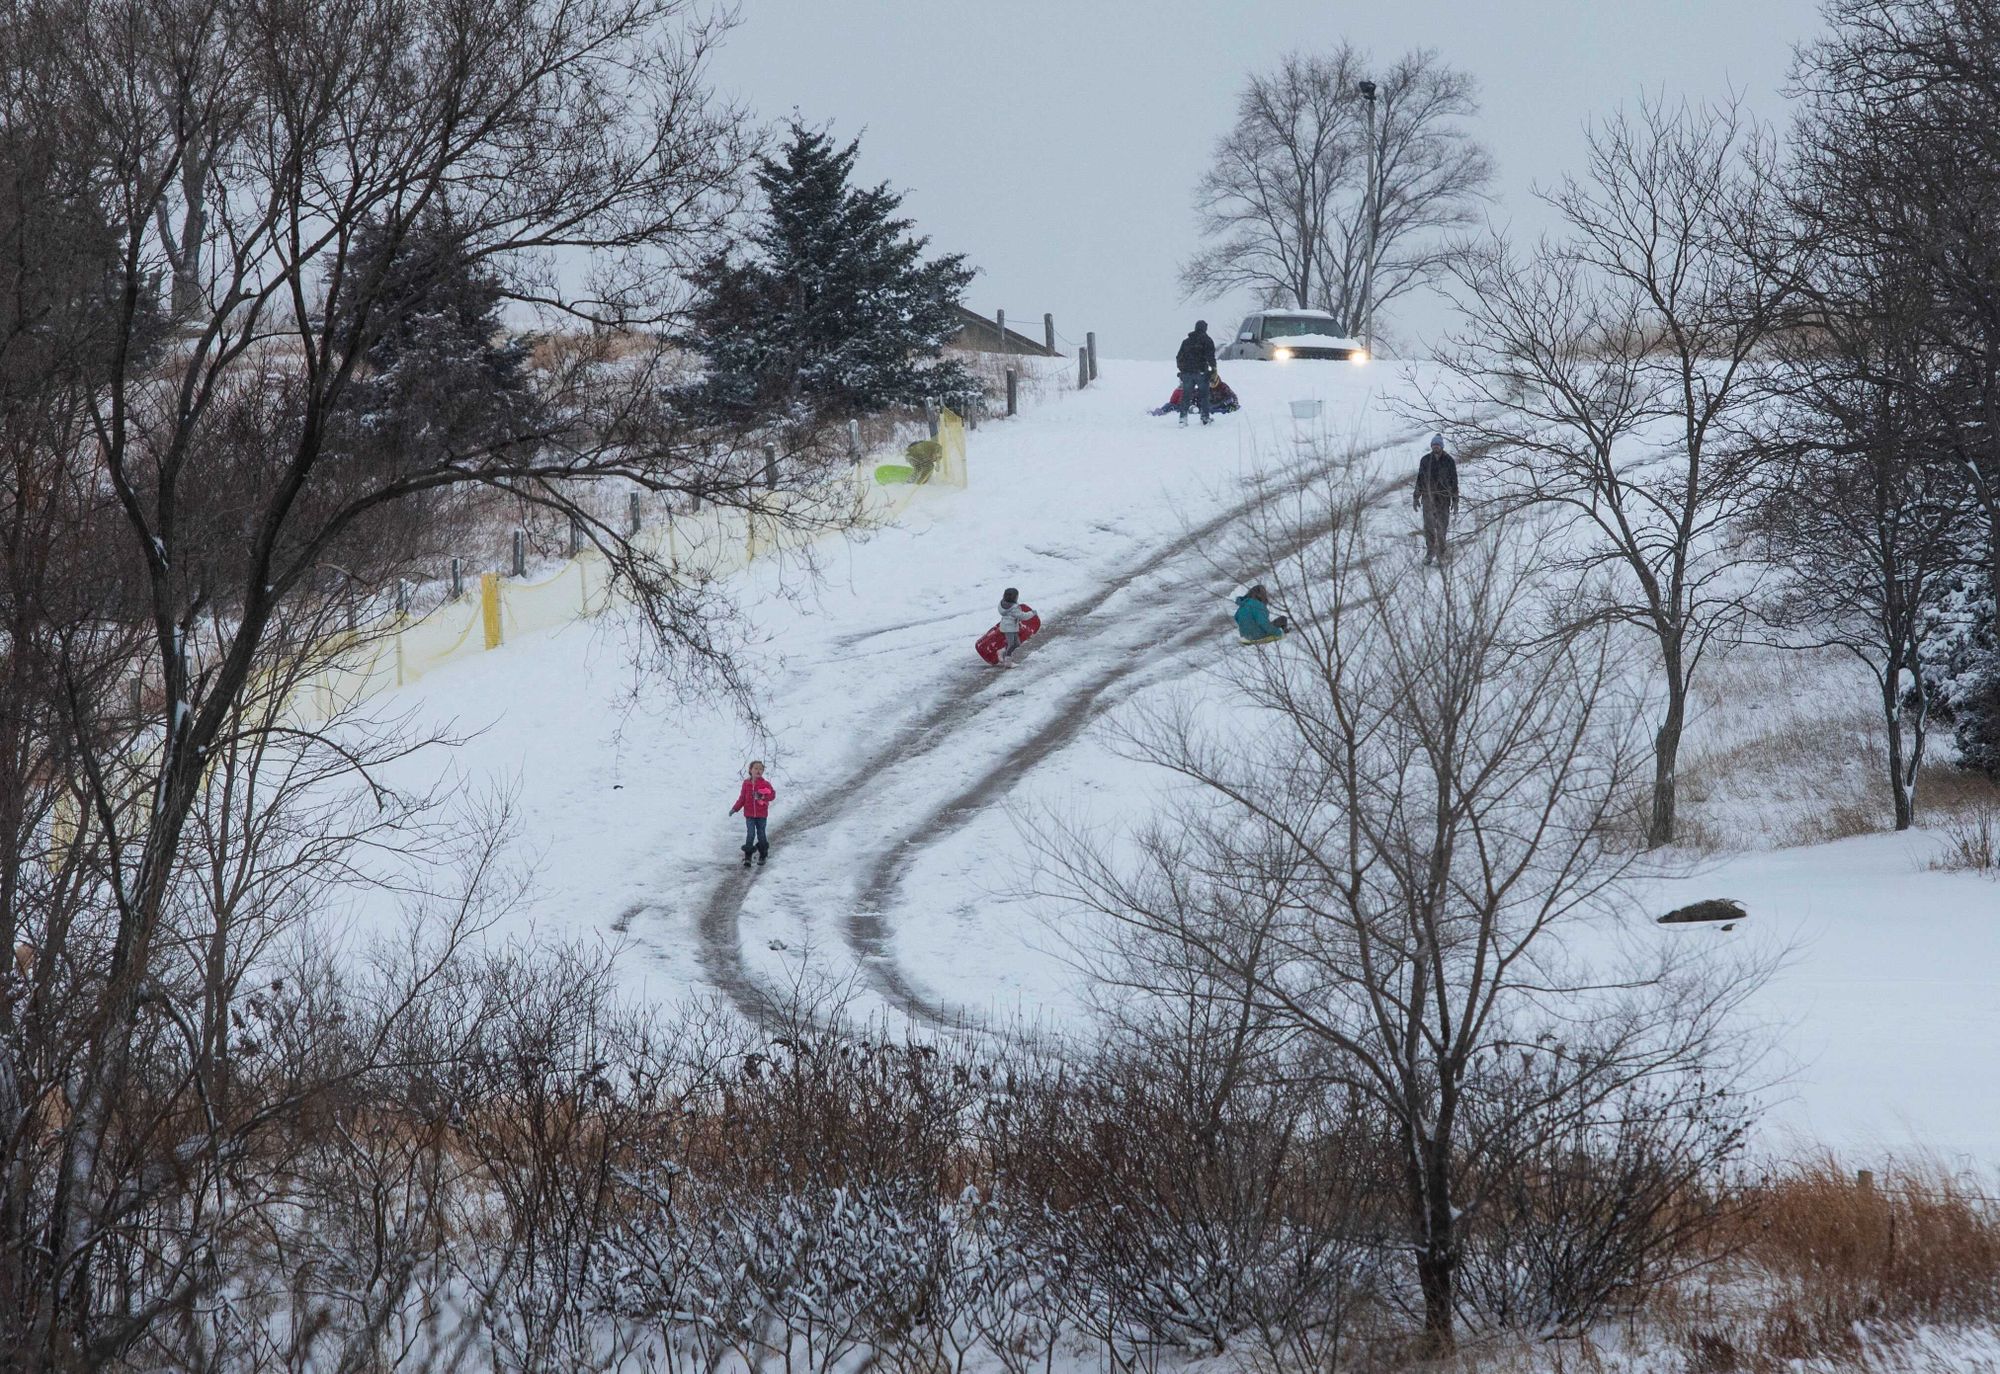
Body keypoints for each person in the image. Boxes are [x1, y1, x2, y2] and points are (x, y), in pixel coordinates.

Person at [1414, 433, 1461, 565]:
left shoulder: (1449, 461)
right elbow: (1420, 479)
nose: (1436, 447)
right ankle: (1430, 553)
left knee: (1442, 527)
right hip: (1428, 499)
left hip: (1444, 499)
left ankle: (1442, 554)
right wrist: (1416, 497)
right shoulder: (1425, 460)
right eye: (1434, 444)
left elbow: (1454, 481)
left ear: (1441, 446)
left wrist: (1455, 500)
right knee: (1429, 527)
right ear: (1431, 446)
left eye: (1438, 445)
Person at [728, 760, 776, 867]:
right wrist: (735, 809)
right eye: (756, 768)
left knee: (761, 833)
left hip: (761, 815)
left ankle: (763, 854)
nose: (758, 771)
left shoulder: (765, 784)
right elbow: (742, 798)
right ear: (750, 770)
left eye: (760, 769)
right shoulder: (746, 784)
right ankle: (748, 855)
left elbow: (772, 795)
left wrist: (763, 796)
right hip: (749, 814)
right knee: (750, 834)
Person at [1175, 320, 1217, 426]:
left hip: (1187, 373)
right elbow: (1210, 357)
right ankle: (1205, 418)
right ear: (1205, 328)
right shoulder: (1207, 341)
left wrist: (1182, 370)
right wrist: (1214, 369)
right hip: (1202, 372)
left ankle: (1182, 419)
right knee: (1204, 396)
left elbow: (1179, 357)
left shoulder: (1186, 342)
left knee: (1186, 396)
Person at [996, 587, 1032, 667]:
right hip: (1009, 628)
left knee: (1017, 643)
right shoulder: (1013, 608)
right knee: (1012, 644)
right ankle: (1008, 662)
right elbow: (1023, 616)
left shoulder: (1003, 603)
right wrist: (1032, 613)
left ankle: (1002, 651)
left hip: (1009, 626)